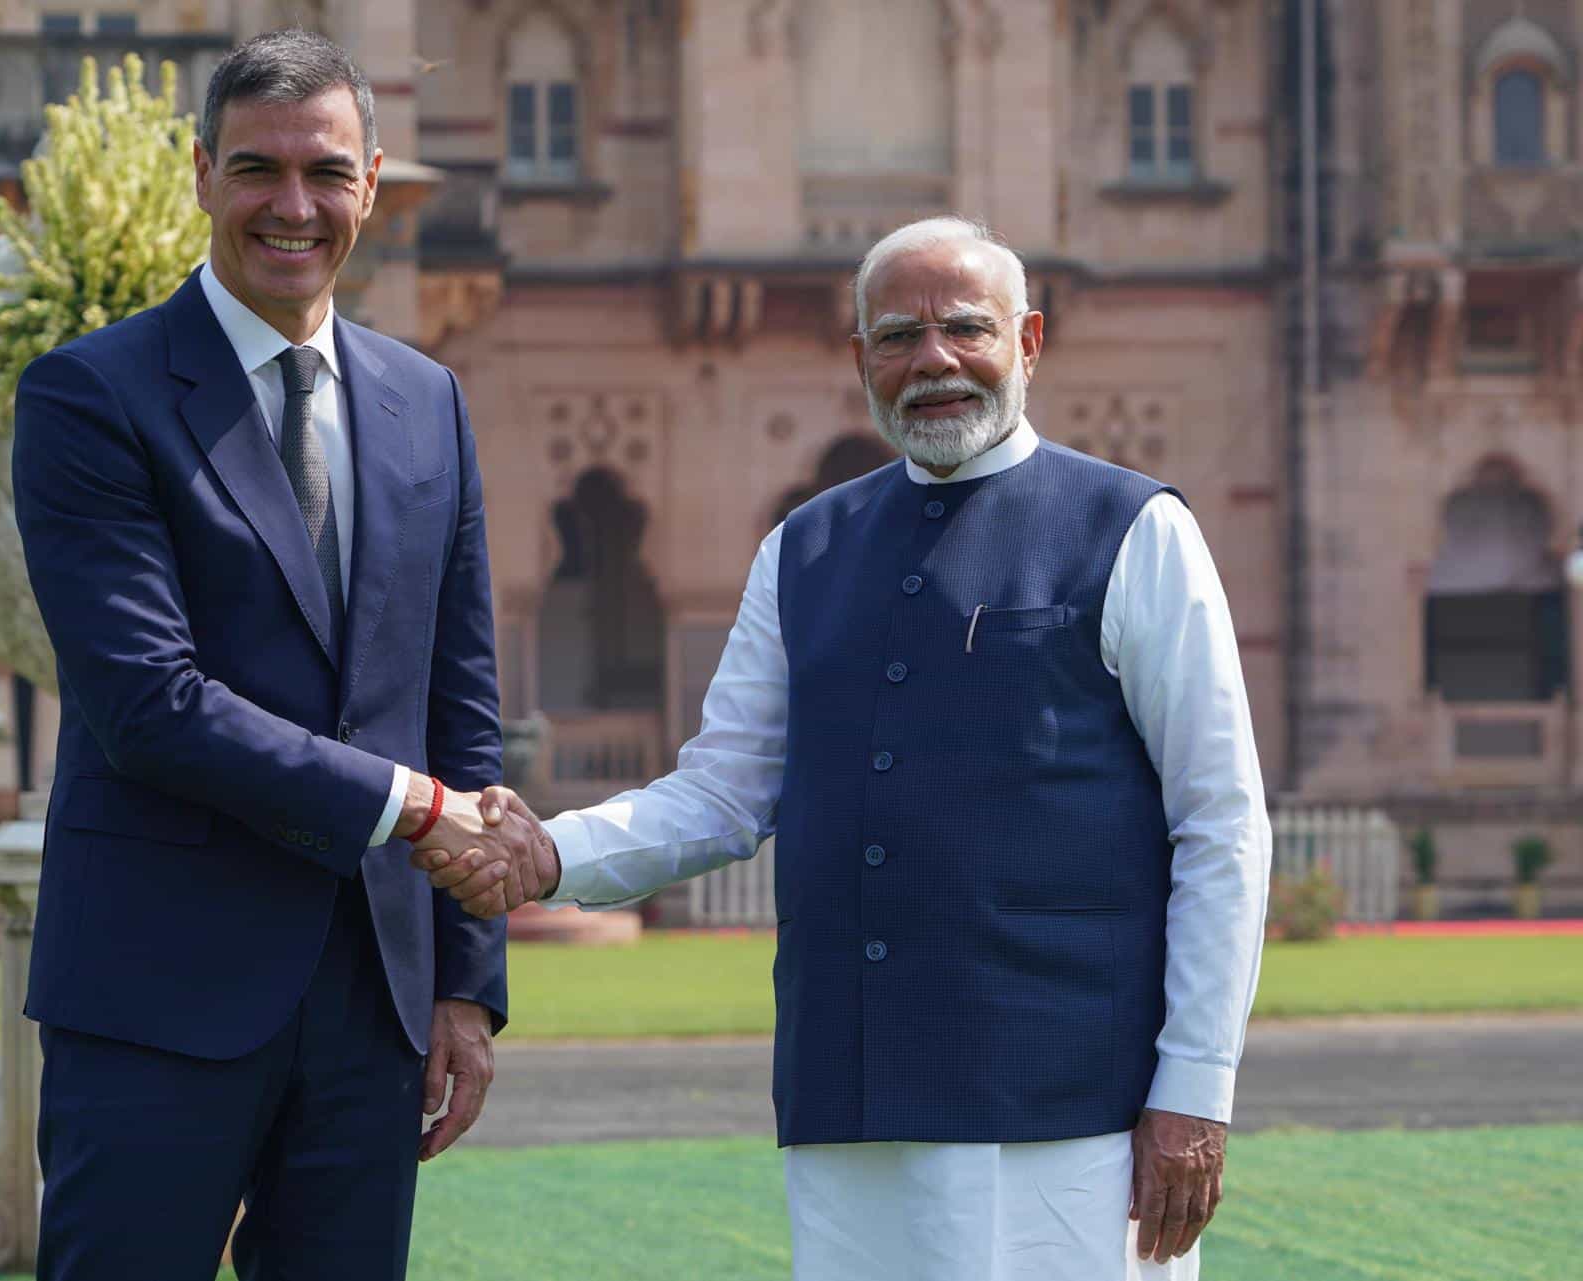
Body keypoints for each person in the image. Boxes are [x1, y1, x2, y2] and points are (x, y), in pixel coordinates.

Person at [423, 216, 1271, 1280]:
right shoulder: (804, 550)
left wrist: (1195, 1087)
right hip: (853, 1088)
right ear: (859, 359)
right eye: (897, 337)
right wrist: (547, 855)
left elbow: (1220, 820)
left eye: (965, 328)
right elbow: (726, 792)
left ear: (1030, 342)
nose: (934, 362)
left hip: (1069, 1101)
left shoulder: (1132, 529)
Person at [11, 30, 552, 1280]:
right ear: (201, 174)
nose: (292, 207)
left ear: (371, 181)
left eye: (326, 173)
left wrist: (465, 986)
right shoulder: (93, 395)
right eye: (258, 170)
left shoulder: (428, 401)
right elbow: (149, 703)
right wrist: (416, 811)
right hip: (157, 991)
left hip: (373, 1002)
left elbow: (458, 702)